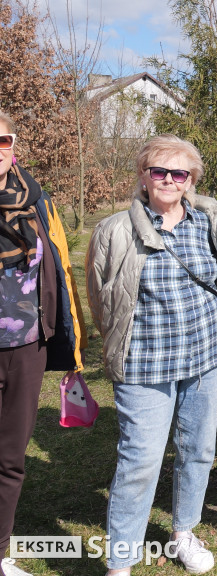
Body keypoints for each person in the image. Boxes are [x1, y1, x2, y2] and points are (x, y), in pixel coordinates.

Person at [87, 135, 217, 576]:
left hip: (209, 356)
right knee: (140, 460)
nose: (169, 180)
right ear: (143, 176)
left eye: (179, 173)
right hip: (145, 363)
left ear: (191, 180)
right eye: (159, 171)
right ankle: (121, 561)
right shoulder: (115, 230)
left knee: (199, 449)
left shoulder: (207, 220)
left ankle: (183, 532)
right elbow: (101, 300)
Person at [1, 113, 85, 576]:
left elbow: (60, 266)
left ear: (13, 145)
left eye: (2, 139)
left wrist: (71, 344)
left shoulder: (37, 200)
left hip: (25, 347)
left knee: (11, 458)